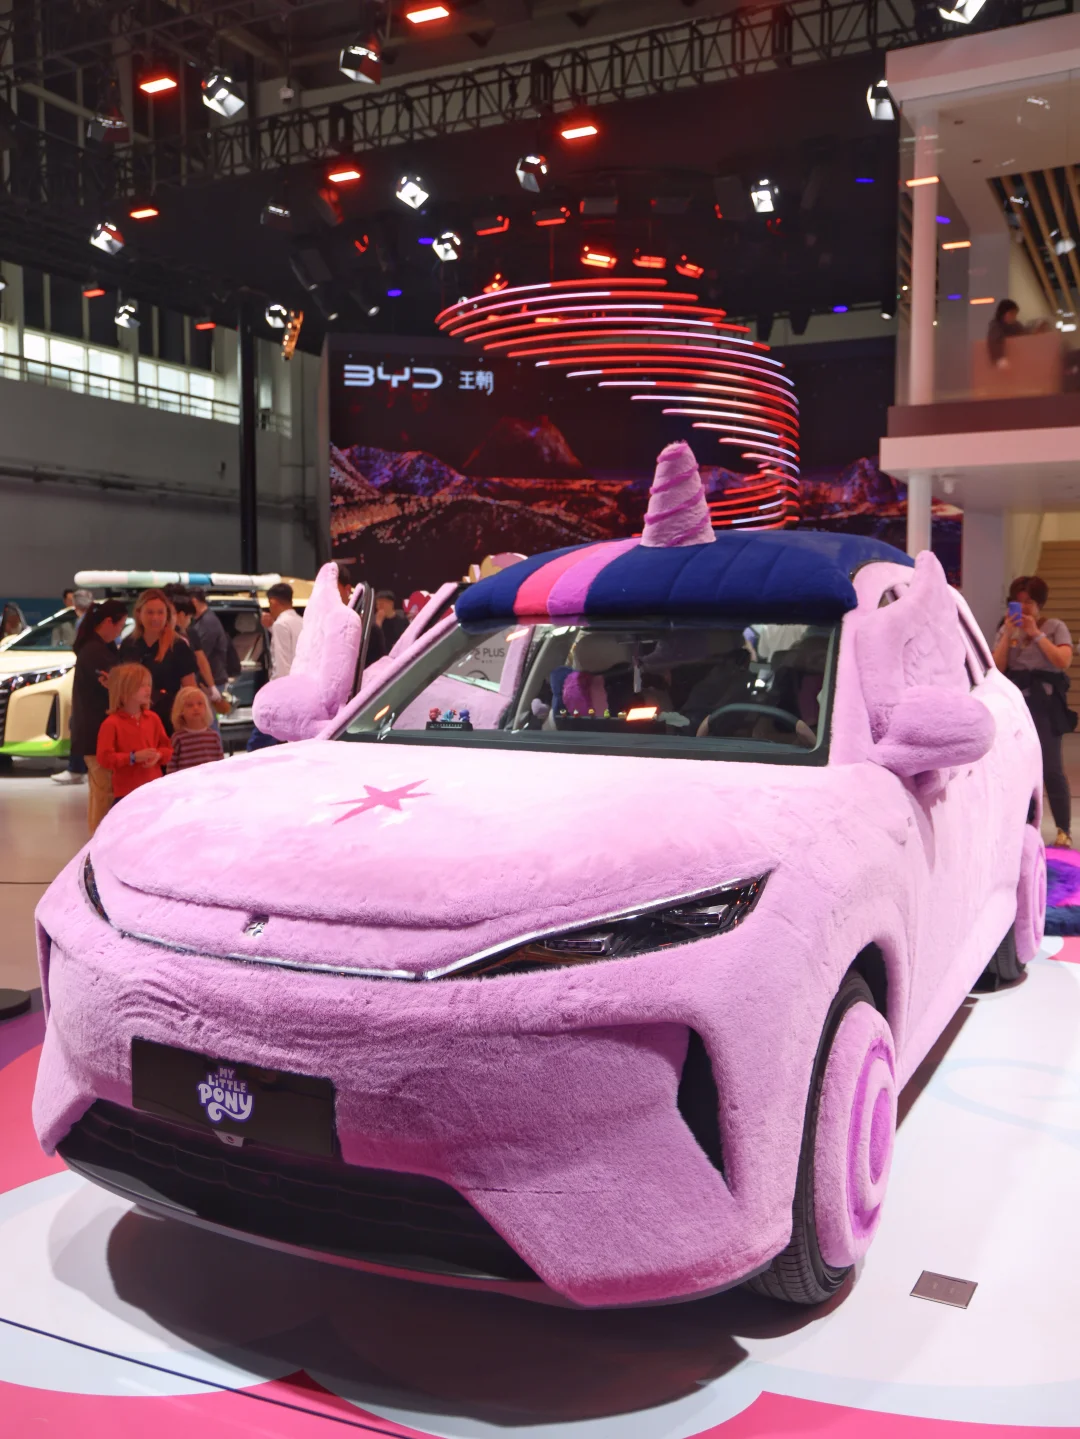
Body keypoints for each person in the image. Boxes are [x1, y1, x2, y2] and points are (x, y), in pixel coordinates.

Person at [993, 574, 1075, 847]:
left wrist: (1036, 634)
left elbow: (1062, 661)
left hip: (1045, 705)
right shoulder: (1006, 630)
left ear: (1039, 603)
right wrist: (1007, 634)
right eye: (1017, 602)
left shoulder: (1054, 627)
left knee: (1051, 767)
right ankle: (1023, 827)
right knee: (1017, 767)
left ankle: (1063, 829)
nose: (1023, 607)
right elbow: (997, 667)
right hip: (1015, 704)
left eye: (1028, 602)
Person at [68, 599, 127, 831]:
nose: (120, 632)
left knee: (100, 792)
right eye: (120, 626)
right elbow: (116, 684)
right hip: (96, 732)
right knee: (104, 793)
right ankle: (99, 841)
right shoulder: (95, 651)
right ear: (108, 622)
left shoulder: (98, 647)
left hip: (93, 731)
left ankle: (97, 839)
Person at [118, 589, 197, 734]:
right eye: (150, 612)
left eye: (160, 612)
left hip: (168, 722)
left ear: (167, 615)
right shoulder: (128, 645)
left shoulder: (178, 646)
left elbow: (190, 688)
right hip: (133, 722)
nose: (155, 618)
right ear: (139, 614)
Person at [96, 663, 172, 802]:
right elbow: (104, 758)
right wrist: (132, 757)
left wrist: (159, 755)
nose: (148, 689)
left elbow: (167, 748)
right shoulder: (111, 724)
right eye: (141, 685)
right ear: (123, 690)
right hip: (127, 792)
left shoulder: (153, 718)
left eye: (148, 684)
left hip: (154, 788)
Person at [52, 588, 98, 784]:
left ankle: (77, 768)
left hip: (86, 683)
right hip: (94, 682)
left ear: (74, 605)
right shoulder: (96, 621)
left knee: (78, 724)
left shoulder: (84, 624)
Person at [167, 687, 224, 771]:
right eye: (190, 705)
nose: (196, 708)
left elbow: (221, 764)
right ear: (180, 711)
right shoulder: (178, 738)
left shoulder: (213, 736)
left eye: (200, 703)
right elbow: (171, 766)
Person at [987, 299, 1049, 367]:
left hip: (1016, 361)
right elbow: (995, 340)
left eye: (1015, 314)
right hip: (1002, 363)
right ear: (1004, 313)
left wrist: (1035, 332)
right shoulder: (995, 326)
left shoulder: (1015, 325)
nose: (1014, 316)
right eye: (1012, 313)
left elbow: (1024, 333)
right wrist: (1000, 358)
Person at [262, 582, 304, 678]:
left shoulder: (280, 624)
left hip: (287, 682)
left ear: (273, 602)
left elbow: (281, 665)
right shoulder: (302, 621)